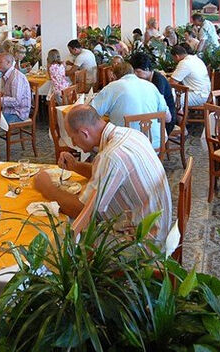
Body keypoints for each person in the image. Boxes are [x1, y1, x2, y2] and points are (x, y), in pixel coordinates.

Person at [32, 105, 172, 246]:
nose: (73, 143)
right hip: (158, 225)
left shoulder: (111, 156)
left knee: (65, 236)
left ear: (84, 133)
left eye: (73, 138)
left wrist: (47, 188)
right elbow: (104, 174)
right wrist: (75, 166)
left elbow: (82, 212)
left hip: (144, 243)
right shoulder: (130, 134)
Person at [90, 62, 170, 150]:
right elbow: (168, 118)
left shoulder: (112, 87)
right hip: (156, 145)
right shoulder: (151, 86)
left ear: (114, 76)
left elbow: (91, 113)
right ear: (133, 72)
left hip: (127, 148)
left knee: (94, 143)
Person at [129, 52, 176, 134]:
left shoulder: (158, 81)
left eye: (138, 71)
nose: (135, 75)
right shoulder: (144, 80)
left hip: (165, 121)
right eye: (134, 72)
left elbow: (157, 105)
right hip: (153, 116)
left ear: (147, 69)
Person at [0, 52, 31, 123]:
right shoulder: (5, 75)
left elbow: (16, 101)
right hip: (8, 110)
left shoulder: (16, 77)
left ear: (8, 63)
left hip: (18, 113)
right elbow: (6, 93)